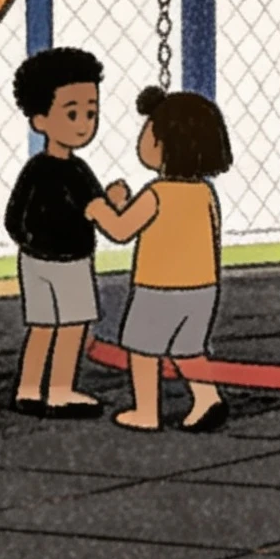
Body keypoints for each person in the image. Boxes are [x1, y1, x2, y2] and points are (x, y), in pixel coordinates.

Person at [95, 86, 235, 433]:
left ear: (162, 143)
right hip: (202, 288)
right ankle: (206, 398)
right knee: (189, 350)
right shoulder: (205, 193)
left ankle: (146, 411)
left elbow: (121, 230)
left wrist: (102, 207)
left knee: (143, 349)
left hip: (158, 287)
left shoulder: (156, 194)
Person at [3, 47, 116, 417]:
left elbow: (13, 217)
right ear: (40, 120)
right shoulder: (77, 173)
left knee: (41, 327)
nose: (84, 123)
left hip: (34, 260)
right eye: (72, 113)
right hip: (70, 260)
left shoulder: (35, 169)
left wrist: (31, 241)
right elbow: (104, 217)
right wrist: (115, 204)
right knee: (71, 328)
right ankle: (61, 391)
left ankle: (29, 389)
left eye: (91, 113)